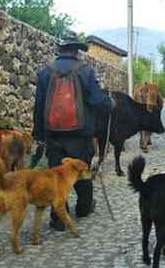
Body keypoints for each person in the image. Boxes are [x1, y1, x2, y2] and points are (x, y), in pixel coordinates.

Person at [32, 32, 113, 230]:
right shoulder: (85, 71)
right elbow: (96, 99)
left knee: (56, 176)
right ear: (76, 50)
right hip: (80, 134)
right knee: (81, 172)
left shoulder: (45, 72)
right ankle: (84, 207)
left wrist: (40, 135)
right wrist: (109, 102)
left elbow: (39, 106)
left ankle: (59, 218)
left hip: (53, 134)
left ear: (59, 49)